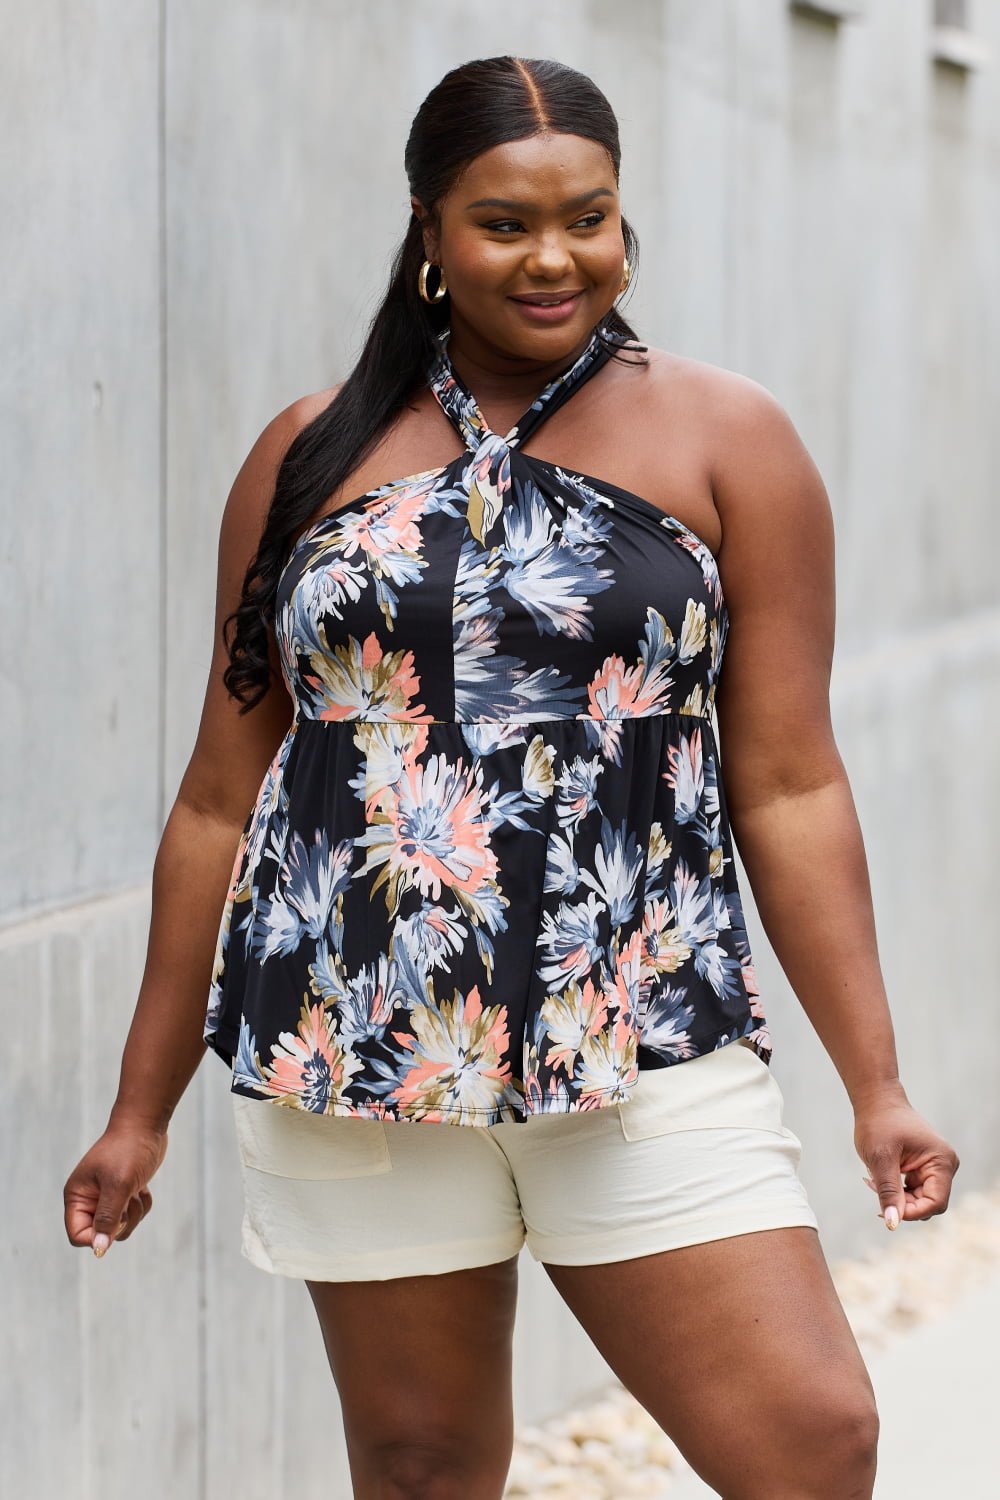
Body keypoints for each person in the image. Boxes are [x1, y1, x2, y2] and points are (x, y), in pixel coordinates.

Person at [64, 54, 959, 1500]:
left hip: (645, 1034)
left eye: (588, 218)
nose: (555, 259)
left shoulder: (731, 441)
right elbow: (221, 797)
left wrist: (878, 1084)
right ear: (427, 231)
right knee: (422, 1467)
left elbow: (789, 783)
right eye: (504, 224)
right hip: (357, 1046)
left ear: (623, 223)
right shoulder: (307, 458)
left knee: (811, 1439)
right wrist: (138, 1108)